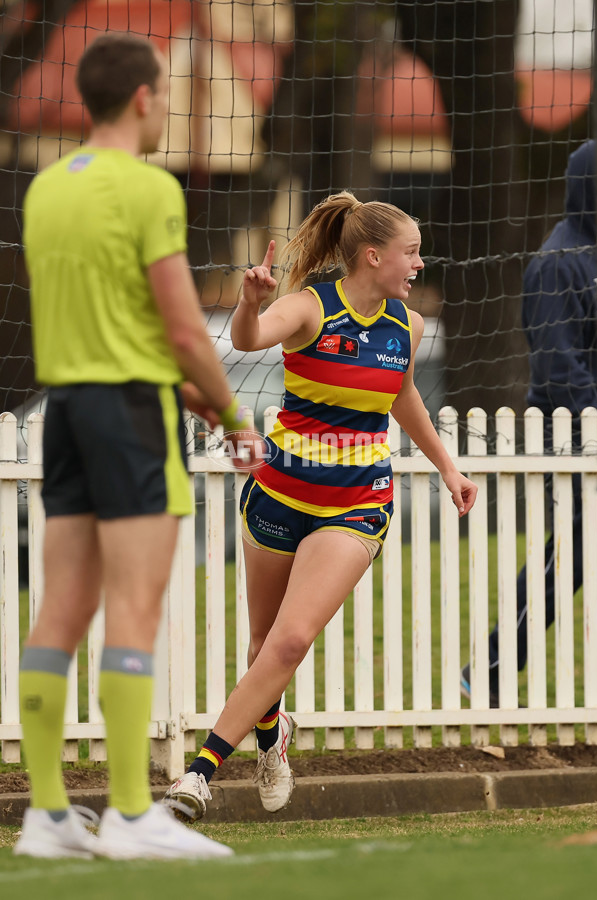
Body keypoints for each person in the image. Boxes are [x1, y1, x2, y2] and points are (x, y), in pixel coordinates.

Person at [14, 33, 263, 861]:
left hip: (67, 412)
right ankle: (128, 813)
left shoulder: (47, 188)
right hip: (130, 413)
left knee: (59, 611)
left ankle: (47, 817)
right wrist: (232, 415)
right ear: (146, 98)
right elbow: (183, 329)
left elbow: (119, 326)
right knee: (134, 609)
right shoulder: (151, 187)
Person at [165, 190, 478, 820]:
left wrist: (449, 466)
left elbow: (401, 395)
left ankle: (198, 775)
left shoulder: (406, 325)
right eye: (410, 253)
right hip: (280, 494)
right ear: (371, 256)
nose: (420, 264)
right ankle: (271, 735)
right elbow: (249, 339)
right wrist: (251, 303)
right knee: (262, 643)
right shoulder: (309, 308)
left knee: (289, 642)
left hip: (356, 504)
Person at [461, 138, 597, 708]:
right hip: (570, 437)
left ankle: (489, 669)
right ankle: (488, 668)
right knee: (570, 554)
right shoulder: (558, 262)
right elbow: (558, 365)